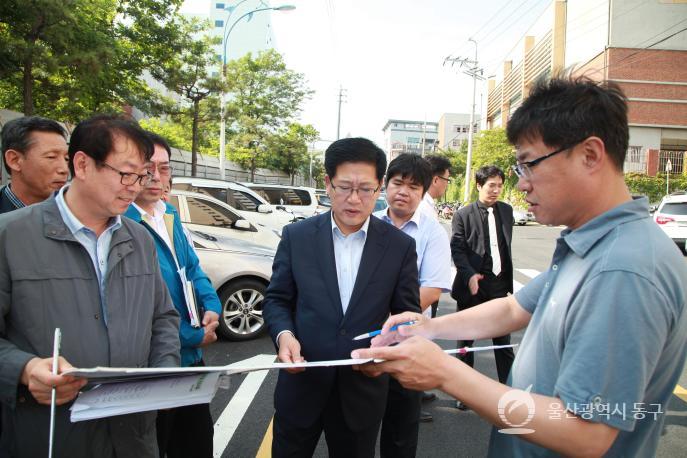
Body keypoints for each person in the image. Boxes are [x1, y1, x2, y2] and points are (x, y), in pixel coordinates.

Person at [352, 76, 687, 457]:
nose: (521, 184)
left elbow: (587, 434)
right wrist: (427, 327)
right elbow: (514, 308)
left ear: (590, 155)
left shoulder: (624, 268)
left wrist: (444, 373)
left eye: (528, 165)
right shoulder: (593, 244)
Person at [0, 115, 181, 458]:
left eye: (141, 175)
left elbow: (163, 317)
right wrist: (23, 369)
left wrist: (166, 372)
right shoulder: (10, 236)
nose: (135, 185)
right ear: (82, 164)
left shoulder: (140, 238)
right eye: (126, 173)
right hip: (50, 435)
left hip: (133, 437)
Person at [263, 137, 421, 458]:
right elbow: (277, 299)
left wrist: (387, 351)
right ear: (327, 184)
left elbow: (406, 316)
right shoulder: (298, 237)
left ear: (379, 188)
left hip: (361, 394)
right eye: (344, 186)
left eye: (365, 189)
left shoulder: (399, 247)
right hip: (302, 385)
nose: (354, 199)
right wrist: (284, 335)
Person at [124, 132, 220, 458]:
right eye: (146, 167)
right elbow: (137, 307)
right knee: (155, 443)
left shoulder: (168, 213)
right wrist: (192, 336)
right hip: (154, 366)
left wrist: (212, 305)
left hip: (191, 362)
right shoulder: (123, 223)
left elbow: (191, 267)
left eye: (163, 168)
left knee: (195, 442)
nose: (155, 177)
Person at [374, 153, 452, 455]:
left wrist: (383, 319)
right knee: (357, 422)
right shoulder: (367, 223)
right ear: (385, 185)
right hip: (367, 338)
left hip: (409, 341)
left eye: (413, 186)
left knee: (401, 426)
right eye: (397, 183)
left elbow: (431, 291)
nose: (403, 192)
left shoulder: (433, 234)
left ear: (423, 192)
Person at [450, 165, 515, 408]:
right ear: (479, 185)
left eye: (499, 185)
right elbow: (457, 249)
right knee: (466, 343)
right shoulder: (463, 214)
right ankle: (464, 394)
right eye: (491, 185)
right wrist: (469, 275)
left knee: (504, 342)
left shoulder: (507, 211)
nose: (496, 190)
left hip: (499, 286)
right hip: (473, 285)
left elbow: (504, 247)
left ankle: (510, 391)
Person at [1, 116, 69, 214]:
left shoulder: (78, 214)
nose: (64, 169)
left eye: (66, 159)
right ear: (14, 160)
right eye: (51, 157)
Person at [417, 154, 451, 221]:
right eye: (447, 180)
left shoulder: (417, 202)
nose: (447, 184)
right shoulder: (425, 209)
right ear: (435, 180)